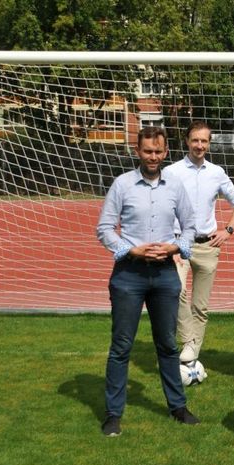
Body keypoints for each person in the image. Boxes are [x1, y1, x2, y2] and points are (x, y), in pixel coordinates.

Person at [95, 126, 200, 437]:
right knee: (122, 346)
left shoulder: (175, 186)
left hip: (166, 273)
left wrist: (175, 246)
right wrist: (132, 249)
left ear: (165, 153)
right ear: (137, 151)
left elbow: (191, 226)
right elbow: (104, 228)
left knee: (167, 345)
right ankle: (113, 414)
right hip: (129, 274)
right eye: (147, 151)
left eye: (158, 151)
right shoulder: (122, 184)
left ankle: (178, 407)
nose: (152, 157)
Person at [164, 121, 234, 365]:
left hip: (208, 246)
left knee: (201, 306)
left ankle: (192, 355)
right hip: (179, 244)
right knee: (176, 291)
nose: (199, 145)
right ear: (187, 142)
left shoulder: (216, 172)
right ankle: (189, 341)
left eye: (204, 141)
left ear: (208, 144)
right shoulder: (172, 172)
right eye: (195, 140)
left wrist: (228, 231)